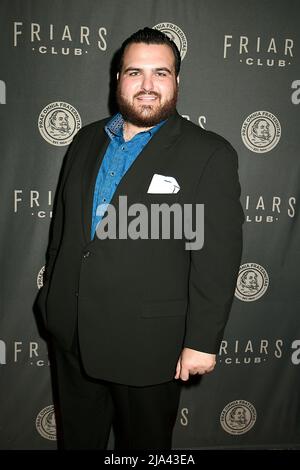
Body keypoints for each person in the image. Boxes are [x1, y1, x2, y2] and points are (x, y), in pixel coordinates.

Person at [36, 27, 244, 450]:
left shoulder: (209, 153)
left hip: (149, 345)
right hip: (72, 333)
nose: (147, 85)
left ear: (177, 82)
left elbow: (216, 258)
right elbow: (64, 230)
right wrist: (52, 300)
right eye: (135, 72)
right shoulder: (85, 139)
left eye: (160, 73)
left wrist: (201, 341)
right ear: (118, 79)